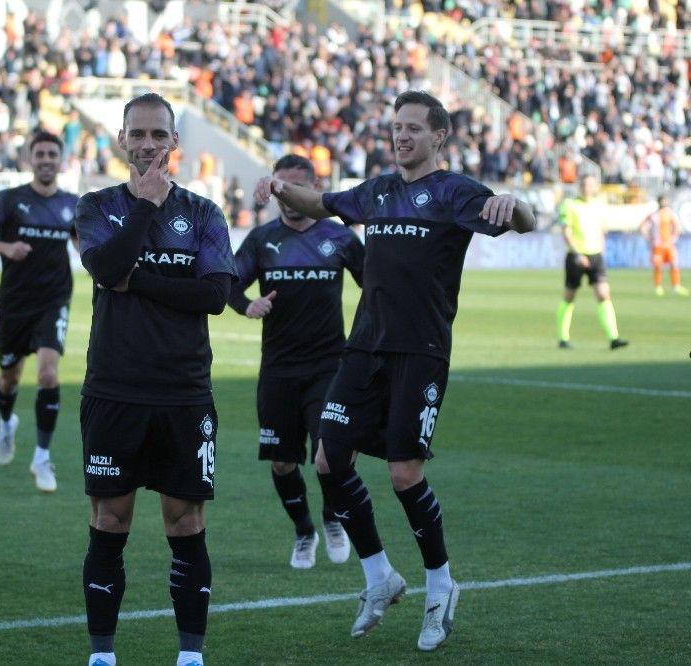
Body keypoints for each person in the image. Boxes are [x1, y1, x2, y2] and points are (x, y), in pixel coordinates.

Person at [254, 90, 536, 652]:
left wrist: (515, 202)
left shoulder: (455, 192)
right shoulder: (378, 191)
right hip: (363, 349)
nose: (401, 136)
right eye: (396, 127)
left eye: (413, 128)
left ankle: (441, 585)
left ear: (439, 136)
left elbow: (524, 222)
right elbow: (322, 203)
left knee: (404, 475)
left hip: (420, 351)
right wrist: (281, 188)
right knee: (328, 459)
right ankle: (379, 576)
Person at [74, 93, 236, 666]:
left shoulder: (204, 214)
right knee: (108, 520)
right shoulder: (96, 207)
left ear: (174, 142)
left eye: (157, 135)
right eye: (137, 134)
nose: (147, 145)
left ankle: (190, 656)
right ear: (121, 139)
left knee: (185, 521)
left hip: (183, 393)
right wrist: (143, 208)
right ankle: (102, 655)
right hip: (113, 390)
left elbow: (214, 295)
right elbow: (103, 267)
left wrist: (136, 280)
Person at [229, 154, 364, 570]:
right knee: (282, 461)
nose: (286, 196)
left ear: (313, 188)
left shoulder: (339, 237)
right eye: (279, 188)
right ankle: (305, 531)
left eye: (294, 188)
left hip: (329, 367)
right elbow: (229, 283)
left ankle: (332, 518)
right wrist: (246, 305)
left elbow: (375, 284)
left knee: (333, 453)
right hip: (279, 369)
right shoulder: (262, 239)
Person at [0, 130, 78, 492]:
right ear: (30, 159)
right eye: (40, 154)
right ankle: (6, 422)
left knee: (48, 375)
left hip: (53, 301)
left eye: (52, 154)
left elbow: (84, 245)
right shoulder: (10, 200)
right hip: (14, 305)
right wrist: (6, 248)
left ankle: (42, 458)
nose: (46, 160)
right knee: (9, 379)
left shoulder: (72, 205)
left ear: (61, 160)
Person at [556, 174, 629, 350]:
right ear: (579, 186)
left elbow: (601, 230)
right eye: (584, 184)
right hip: (576, 256)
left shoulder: (599, 205)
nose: (586, 188)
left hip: (596, 255)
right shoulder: (569, 204)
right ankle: (563, 337)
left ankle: (613, 338)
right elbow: (566, 232)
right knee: (570, 295)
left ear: (595, 187)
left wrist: (602, 252)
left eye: (590, 185)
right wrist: (577, 254)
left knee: (603, 294)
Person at [639, 194, 687, 297]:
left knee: (674, 264)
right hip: (657, 245)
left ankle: (676, 286)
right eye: (662, 201)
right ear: (659, 202)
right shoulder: (653, 215)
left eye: (665, 201)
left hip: (669, 245)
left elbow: (677, 226)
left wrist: (674, 237)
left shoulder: (670, 213)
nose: (664, 203)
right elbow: (642, 225)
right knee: (658, 266)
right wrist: (648, 237)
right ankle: (658, 287)